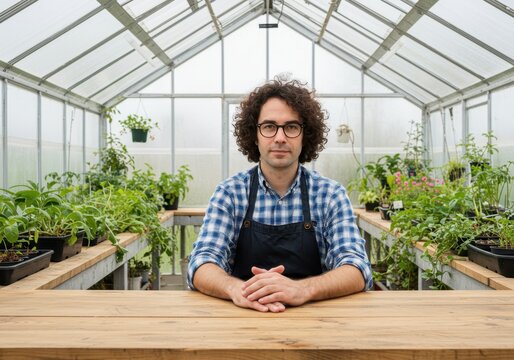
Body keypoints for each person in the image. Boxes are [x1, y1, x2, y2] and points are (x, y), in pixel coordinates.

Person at [188, 78, 372, 313]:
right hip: (240, 321)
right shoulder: (230, 193)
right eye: (269, 126)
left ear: (306, 136)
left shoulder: (330, 195)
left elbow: (357, 268)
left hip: (317, 325)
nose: (280, 138)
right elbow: (202, 262)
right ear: (254, 135)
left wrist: (302, 290)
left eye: (291, 127)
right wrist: (237, 290)